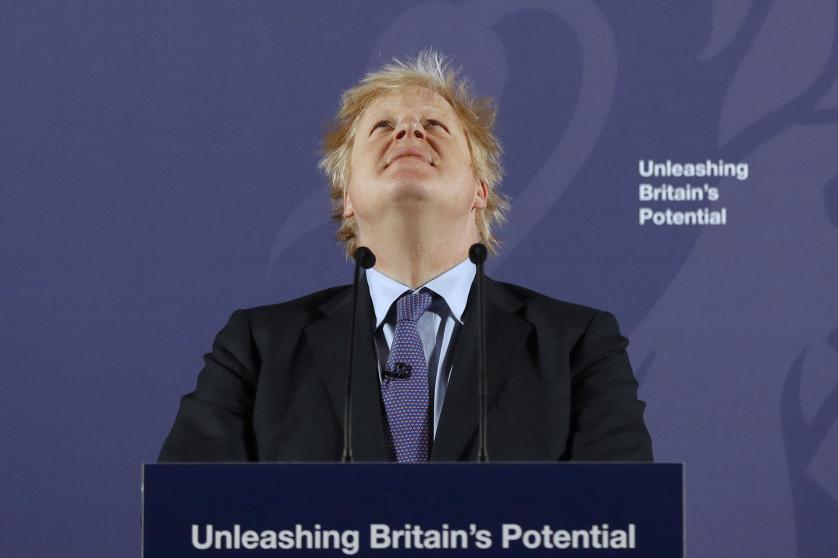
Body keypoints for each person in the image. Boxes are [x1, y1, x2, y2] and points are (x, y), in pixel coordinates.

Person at [159, 50, 653, 463]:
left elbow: (622, 519)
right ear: (347, 196)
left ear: (480, 189)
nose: (409, 133)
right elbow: (188, 516)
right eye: (383, 127)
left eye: (434, 124)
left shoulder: (577, 347)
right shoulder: (258, 349)